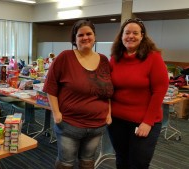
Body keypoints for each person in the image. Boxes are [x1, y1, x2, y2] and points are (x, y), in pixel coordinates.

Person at [43, 19, 113, 169]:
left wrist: (109, 113)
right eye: (81, 35)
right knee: (66, 163)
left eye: (89, 34)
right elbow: (50, 87)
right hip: (69, 124)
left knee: (88, 162)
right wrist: (56, 114)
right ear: (74, 38)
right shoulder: (65, 57)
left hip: (97, 125)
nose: (85, 37)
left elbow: (107, 90)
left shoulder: (104, 60)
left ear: (94, 36)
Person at [108, 18, 169, 169]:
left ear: (142, 36)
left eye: (135, 33)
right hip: (117, 121)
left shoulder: (153, 58)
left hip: (143, 121)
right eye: (127, 32)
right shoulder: (115, 59)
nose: (131, 36)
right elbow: (108, 88)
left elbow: (159, 91)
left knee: (139, 163)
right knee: (122, 160)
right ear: (121, 36)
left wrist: (148, 122)